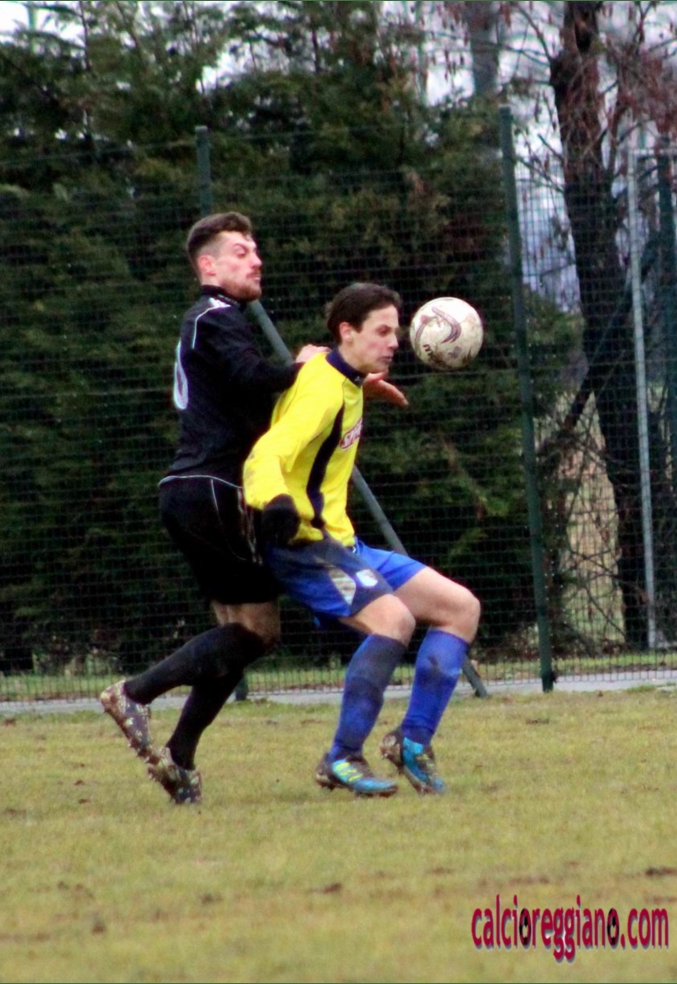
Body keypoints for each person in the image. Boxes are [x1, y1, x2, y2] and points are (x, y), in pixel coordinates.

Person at [100, 215, 405, 805]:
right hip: (214, 486)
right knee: (257, 632)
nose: (256, 260)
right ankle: (135, 695)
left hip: (195, 490)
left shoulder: (215, 321)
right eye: (241, 252)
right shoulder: (214, 315)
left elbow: (252, 394)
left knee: (243, 633)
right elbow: (255, 376)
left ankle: (179, 757)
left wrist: (347, 379)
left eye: (256, 250)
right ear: (208, 266)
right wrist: (315, 366)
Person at [243, 282, 481, 797]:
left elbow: (328, 381)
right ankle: (342, 756)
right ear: (346, 331)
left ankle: (411, 742)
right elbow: (266, 454)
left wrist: (363, 386)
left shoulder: (344, 379)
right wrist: (275, 501)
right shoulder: (323, 389)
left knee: (460, 608)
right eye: (382, 331)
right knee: (394, 621)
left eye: (396, 331)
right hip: (304, 546)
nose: (394, 342)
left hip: (344, 544)